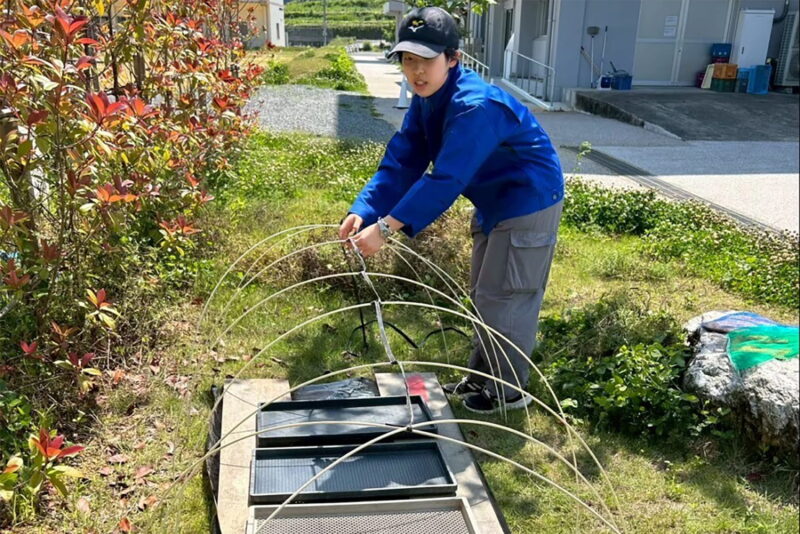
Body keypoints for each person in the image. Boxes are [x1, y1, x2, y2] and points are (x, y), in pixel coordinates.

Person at [338, 6, 564, 414]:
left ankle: (509, 393)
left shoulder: (475, 106)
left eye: (426, 60)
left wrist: (385, 230)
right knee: (484, 292)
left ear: (453, 58)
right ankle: (483, 377)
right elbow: (404, 159)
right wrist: (365, 209)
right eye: (408, 60)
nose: (416, 71)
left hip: (528, 198)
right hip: (492, 199)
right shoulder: (429, 98)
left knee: (507, 295)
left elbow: (445, 178)